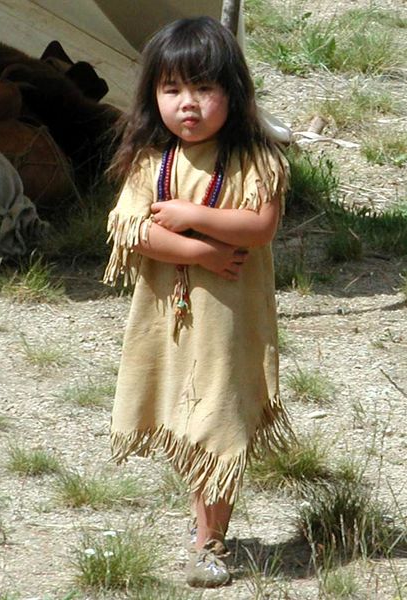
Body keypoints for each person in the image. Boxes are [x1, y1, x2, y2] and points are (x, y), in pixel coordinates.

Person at [104, 15, 292, 588]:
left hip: (229, 329)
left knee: (217, 424)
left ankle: (211, 541)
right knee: (187, 425)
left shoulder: (254, 161)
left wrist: (192, 216)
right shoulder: (150, 163)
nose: (188, 104)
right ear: (152, 96)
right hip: (172, 327)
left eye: (204, 88)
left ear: (232, 93)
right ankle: (201, 524)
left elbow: (259, 225)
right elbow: (130, 228)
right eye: (172, 90)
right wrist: (202, 251)